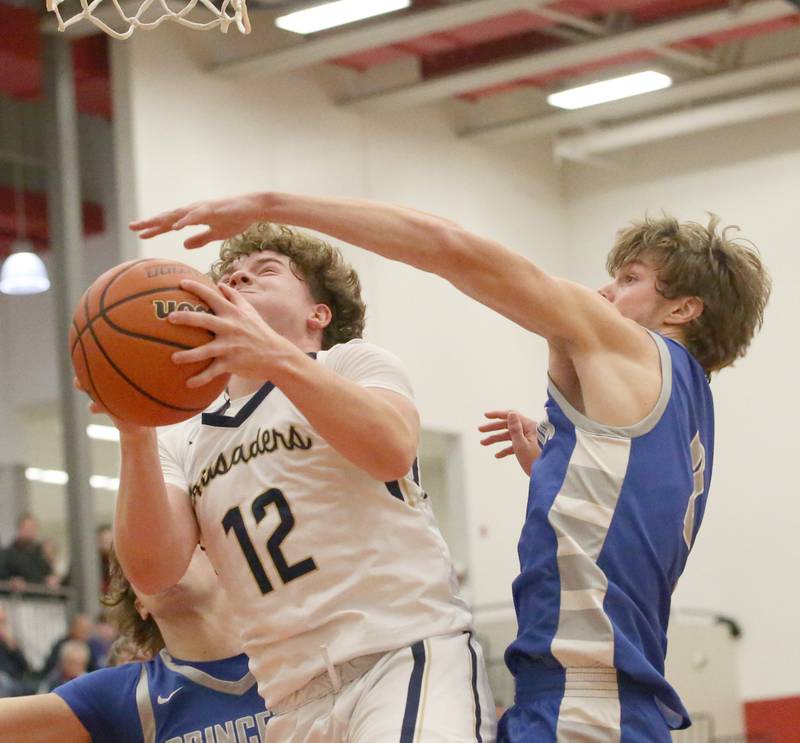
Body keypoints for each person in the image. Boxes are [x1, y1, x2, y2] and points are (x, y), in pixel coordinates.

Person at [130, 193, 770, 742]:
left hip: (585, 696)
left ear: (683, 309)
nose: (604, 292)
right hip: (581, 690)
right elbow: (629, 523)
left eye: (629, 279)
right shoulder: (683, 418)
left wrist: (270, 205)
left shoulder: (630, 346)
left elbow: (448, 244)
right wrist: (553, 472)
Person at [92, 221, 495, 742]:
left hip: (401, 654)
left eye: (265, 271)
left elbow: (391, 448)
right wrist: (135, 431)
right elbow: (153, 572)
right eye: (230, 278)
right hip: (288, 695)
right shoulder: (184, 439)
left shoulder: (352, 363)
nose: (238, 281)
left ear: (318, 314)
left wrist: (271, 355)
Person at [0, 547, 269, 742]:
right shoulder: (122, 695)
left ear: (218, 563)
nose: (159, 563)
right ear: (140, 604)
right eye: (142, 565)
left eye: (175, 545)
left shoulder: (292, 656)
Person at [1, 514, 60, 590]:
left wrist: (53, 578)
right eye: (27, 529)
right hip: (20, 599)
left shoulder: (40, 553)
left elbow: (49, 574)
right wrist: (11, 583)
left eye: (33, 529)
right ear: (19, 529)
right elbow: (3, 579)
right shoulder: (7, 555)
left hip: (42, 597)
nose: (30, 532)